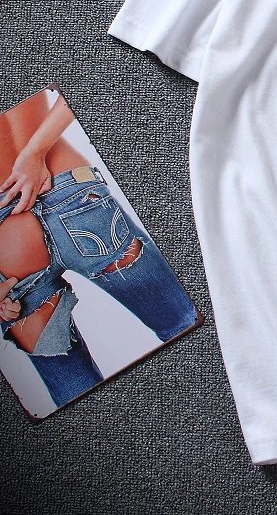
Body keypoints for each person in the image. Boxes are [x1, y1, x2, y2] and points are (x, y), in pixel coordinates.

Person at [0, 89, 198, 409]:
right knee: (186, 325)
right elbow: (78, 87)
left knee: (78, 396)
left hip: (7, 244)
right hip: (70, 192)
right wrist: (35, 152)